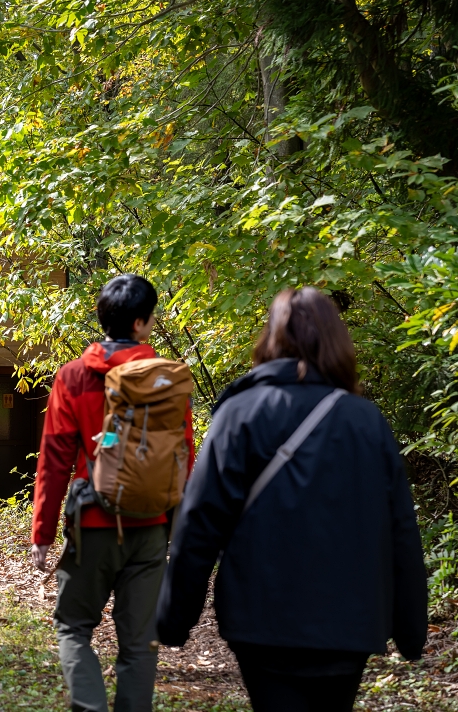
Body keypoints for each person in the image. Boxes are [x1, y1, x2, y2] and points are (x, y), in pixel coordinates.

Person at [155, 287, 427, 712]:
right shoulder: (366, 422)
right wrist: (411, 628)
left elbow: (200, 523)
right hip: (349, 620)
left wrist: (175, 618)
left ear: (271, 338)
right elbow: (401, 531)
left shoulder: (240, 414)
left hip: (262, 619)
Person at [30, 274, 195, 712]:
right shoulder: (170, 381)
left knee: (73, 629)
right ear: (141, 323)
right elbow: (184, 459)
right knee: (140, 647)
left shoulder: (74, 377)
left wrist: (42, 534)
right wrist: (179, 530)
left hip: (93, 526)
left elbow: (54, 461)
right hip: (152, 528)